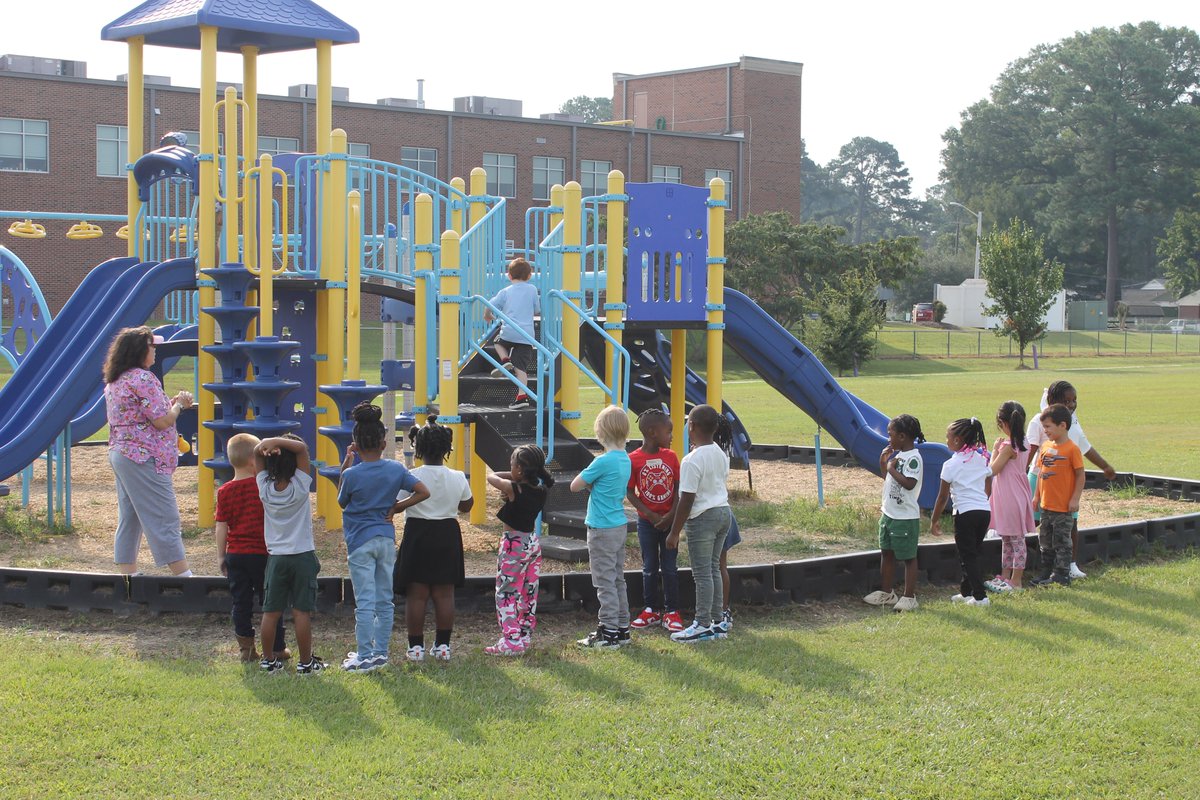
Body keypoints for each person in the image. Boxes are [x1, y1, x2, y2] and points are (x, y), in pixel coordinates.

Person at [337, 403, 429, 672]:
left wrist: (346, 464)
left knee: (365, 601)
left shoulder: (351, 474)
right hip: (386, 538)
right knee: (384, 599)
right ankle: (380, 653)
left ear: (355, 445)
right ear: (384, 443)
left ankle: (364, 655)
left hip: (359, 541)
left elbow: (342, 501)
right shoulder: (396, 469)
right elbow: (423, 492)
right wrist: (397, 507)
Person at [102, 326, 194, 577]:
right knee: (164, 514)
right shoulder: (143, 378)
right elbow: (162, 421)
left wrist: (171, 404)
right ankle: (183, 575)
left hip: (122, 453)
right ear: (140, 350)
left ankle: (128, 576)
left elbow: (142, 412)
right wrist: (179, 406)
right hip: (144, 455)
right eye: (153, 346)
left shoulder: (116, 380)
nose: (155, 350)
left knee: (130, 516)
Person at [396, 418, 472, 662]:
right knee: (445, 594)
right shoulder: (457, 476)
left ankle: (416, 647)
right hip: (447, 534)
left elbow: (397, 501)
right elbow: (466, 506)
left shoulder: (411, 476)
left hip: (417, 532)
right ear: (448, 447)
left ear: (417, 447)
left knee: (416, 594)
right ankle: (443, 646)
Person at [1025, 380, 1117, 579]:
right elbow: (1031, 450)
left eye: (1074, 400)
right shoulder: (1039, 420)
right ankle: (1029, 564)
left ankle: (1070, 565)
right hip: (1040, 478)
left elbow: (1085, 446)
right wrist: (1020, 475)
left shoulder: (1072, 421)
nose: (1072, 404)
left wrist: (1105, 466)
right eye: (1066, 401)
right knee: (1034, 521)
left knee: (1071, 522)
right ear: (1052, 400)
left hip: (1066, 483)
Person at [215, 432, 287, 662]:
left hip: (236, 554)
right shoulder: (262, 487)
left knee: (240, 602)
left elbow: (221, 526)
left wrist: (221, 556)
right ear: (253, 461)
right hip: (263, 553)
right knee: (271, 600)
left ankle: (246, 648)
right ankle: (277, 647)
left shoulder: (224, 491)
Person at [255, 434, 324, 675]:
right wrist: (278, 441)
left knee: (271, 612)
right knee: (301, 611)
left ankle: (268, 661)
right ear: (296, 465)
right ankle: (305, 663)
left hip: (276, 558)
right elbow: (302, 448)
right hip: (302, 556)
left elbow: (256, 453)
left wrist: (267, 444)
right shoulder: (300, 486)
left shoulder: (265, 488)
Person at [666, 404, 733, 643]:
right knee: (714, 568)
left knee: (702, 573)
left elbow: (687, 499)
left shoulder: (691, 460)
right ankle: (717, 621)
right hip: (723, 512)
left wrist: (674, 532)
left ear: (691, 426)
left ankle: (702, 624)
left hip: (703, 518)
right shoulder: (720, 453)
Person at [572, 405, 633, 649]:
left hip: (600, 528)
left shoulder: (602, 461)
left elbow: (575, 485)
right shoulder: (625, 459)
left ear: (600, 432)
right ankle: (622, 628)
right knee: (618, 579)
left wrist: (591, 481)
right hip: (619, 525)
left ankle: (608, 632)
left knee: (604, 582)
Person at [485, 444, 554, 655]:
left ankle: (511, 639)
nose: (510, 468)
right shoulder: (541, 490)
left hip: (513, 544)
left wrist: (514, 476)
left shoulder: (514, 489)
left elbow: (491, 477)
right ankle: (524, 634)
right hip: (532, 543)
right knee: (528, 591)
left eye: (512, 465)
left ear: (520, 470)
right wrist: (521, 473)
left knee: (506, 592)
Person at [626, 409, 683, 633]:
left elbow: (678, 489)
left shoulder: (671, 457)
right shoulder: (633, 459)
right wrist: (650, 515)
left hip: (670, 523)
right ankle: (649, 609)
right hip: (647, 524)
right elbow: (630, 492)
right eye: (668, 431)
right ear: (652, 432)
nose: (672, 436)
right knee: (649, 567)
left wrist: (671, 516)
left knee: (670, 568)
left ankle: (672, 611)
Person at [863, 415, 925, 613]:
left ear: (902, 436)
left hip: (905, 517)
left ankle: (909, 597)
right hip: (889, 514)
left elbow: (909, 484)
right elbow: (890, 481)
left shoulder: (914, 459)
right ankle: (887, 592)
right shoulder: (898, 456)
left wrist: (891, 467)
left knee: (909, 557)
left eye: (890, 435)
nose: (888, 438)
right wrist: (884, 463)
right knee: (886, 552)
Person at [931, 418, 993, 606]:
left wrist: (934, 519)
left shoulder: (951, 464)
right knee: (972, 553)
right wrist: (981, 499)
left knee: (967, 557)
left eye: (948, 437)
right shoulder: (982, 459)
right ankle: (966, 592)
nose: (946, 440)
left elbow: (942, 497)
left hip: (965, 513)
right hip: (984, 511)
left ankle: (980, 597)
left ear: (957, 440)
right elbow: (988, 483)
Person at [1030, 404, 1085, 587]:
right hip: (1046, 506)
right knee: (1045, 540)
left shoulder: (1072, 449)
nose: (1045, 431)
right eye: (1043, 427)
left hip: (1063, 507)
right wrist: (1036, 496)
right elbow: (1041, 473)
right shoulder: (1045, 447)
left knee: (1062, 542)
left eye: (1048, 427)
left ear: (1062, 425)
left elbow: (1080, 475)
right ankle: (1046, 571)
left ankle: (1061, 574)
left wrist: (1075, 498)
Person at [986, 402, 1036, 591]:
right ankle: (1006, 576)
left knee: (1014, 540)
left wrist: (994, 450)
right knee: (1008, 538)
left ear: (1004, 423)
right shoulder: (1025, 442)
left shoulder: (1008, 447)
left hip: (1009, 496)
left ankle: (1016, 580)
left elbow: (992, 470)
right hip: (1017, 493)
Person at [484, 257, 540, 410]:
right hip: (526, 334)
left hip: (508, 332)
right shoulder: (532, 289)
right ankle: (522, 396)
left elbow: (489, 305)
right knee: (520, 368)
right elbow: (537, 309)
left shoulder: (505, 291)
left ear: (509, 276)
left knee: (497, 342)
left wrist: (487, 315)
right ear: (529, 276)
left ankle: (505, 360)